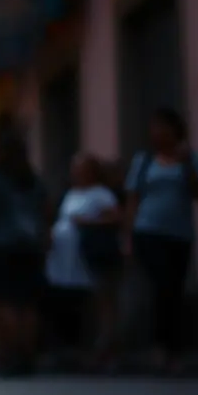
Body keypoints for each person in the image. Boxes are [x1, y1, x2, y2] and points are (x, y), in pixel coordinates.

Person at [123, 107, 198, 373]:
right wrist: (128, 237)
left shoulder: (192, 160)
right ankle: (161, 349)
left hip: (179, 233)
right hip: (148, 232)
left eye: (163, 127)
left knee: (174, 289)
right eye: (154, 128)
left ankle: (174, 349)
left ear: (176, 130)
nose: (157, 133)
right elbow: (132, 199)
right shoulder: (144, 161)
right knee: (161, 287)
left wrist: (187, 167)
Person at [0, 116, 50, 375]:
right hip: (30, 246)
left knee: (5, 303)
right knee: (28, 305)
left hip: (2, 247)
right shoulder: (33, 181)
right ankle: (27, 356)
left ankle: (10, 356)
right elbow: (47, 212)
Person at [43, 153, 121, 369]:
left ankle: (104, 349)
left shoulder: (101, 194)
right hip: (66, 261)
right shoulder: (71, 194)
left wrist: (88, 222)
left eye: (81, 168)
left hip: (91, 255)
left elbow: (115, 217)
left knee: (101, 300)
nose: (76, 172)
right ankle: (76, 350)